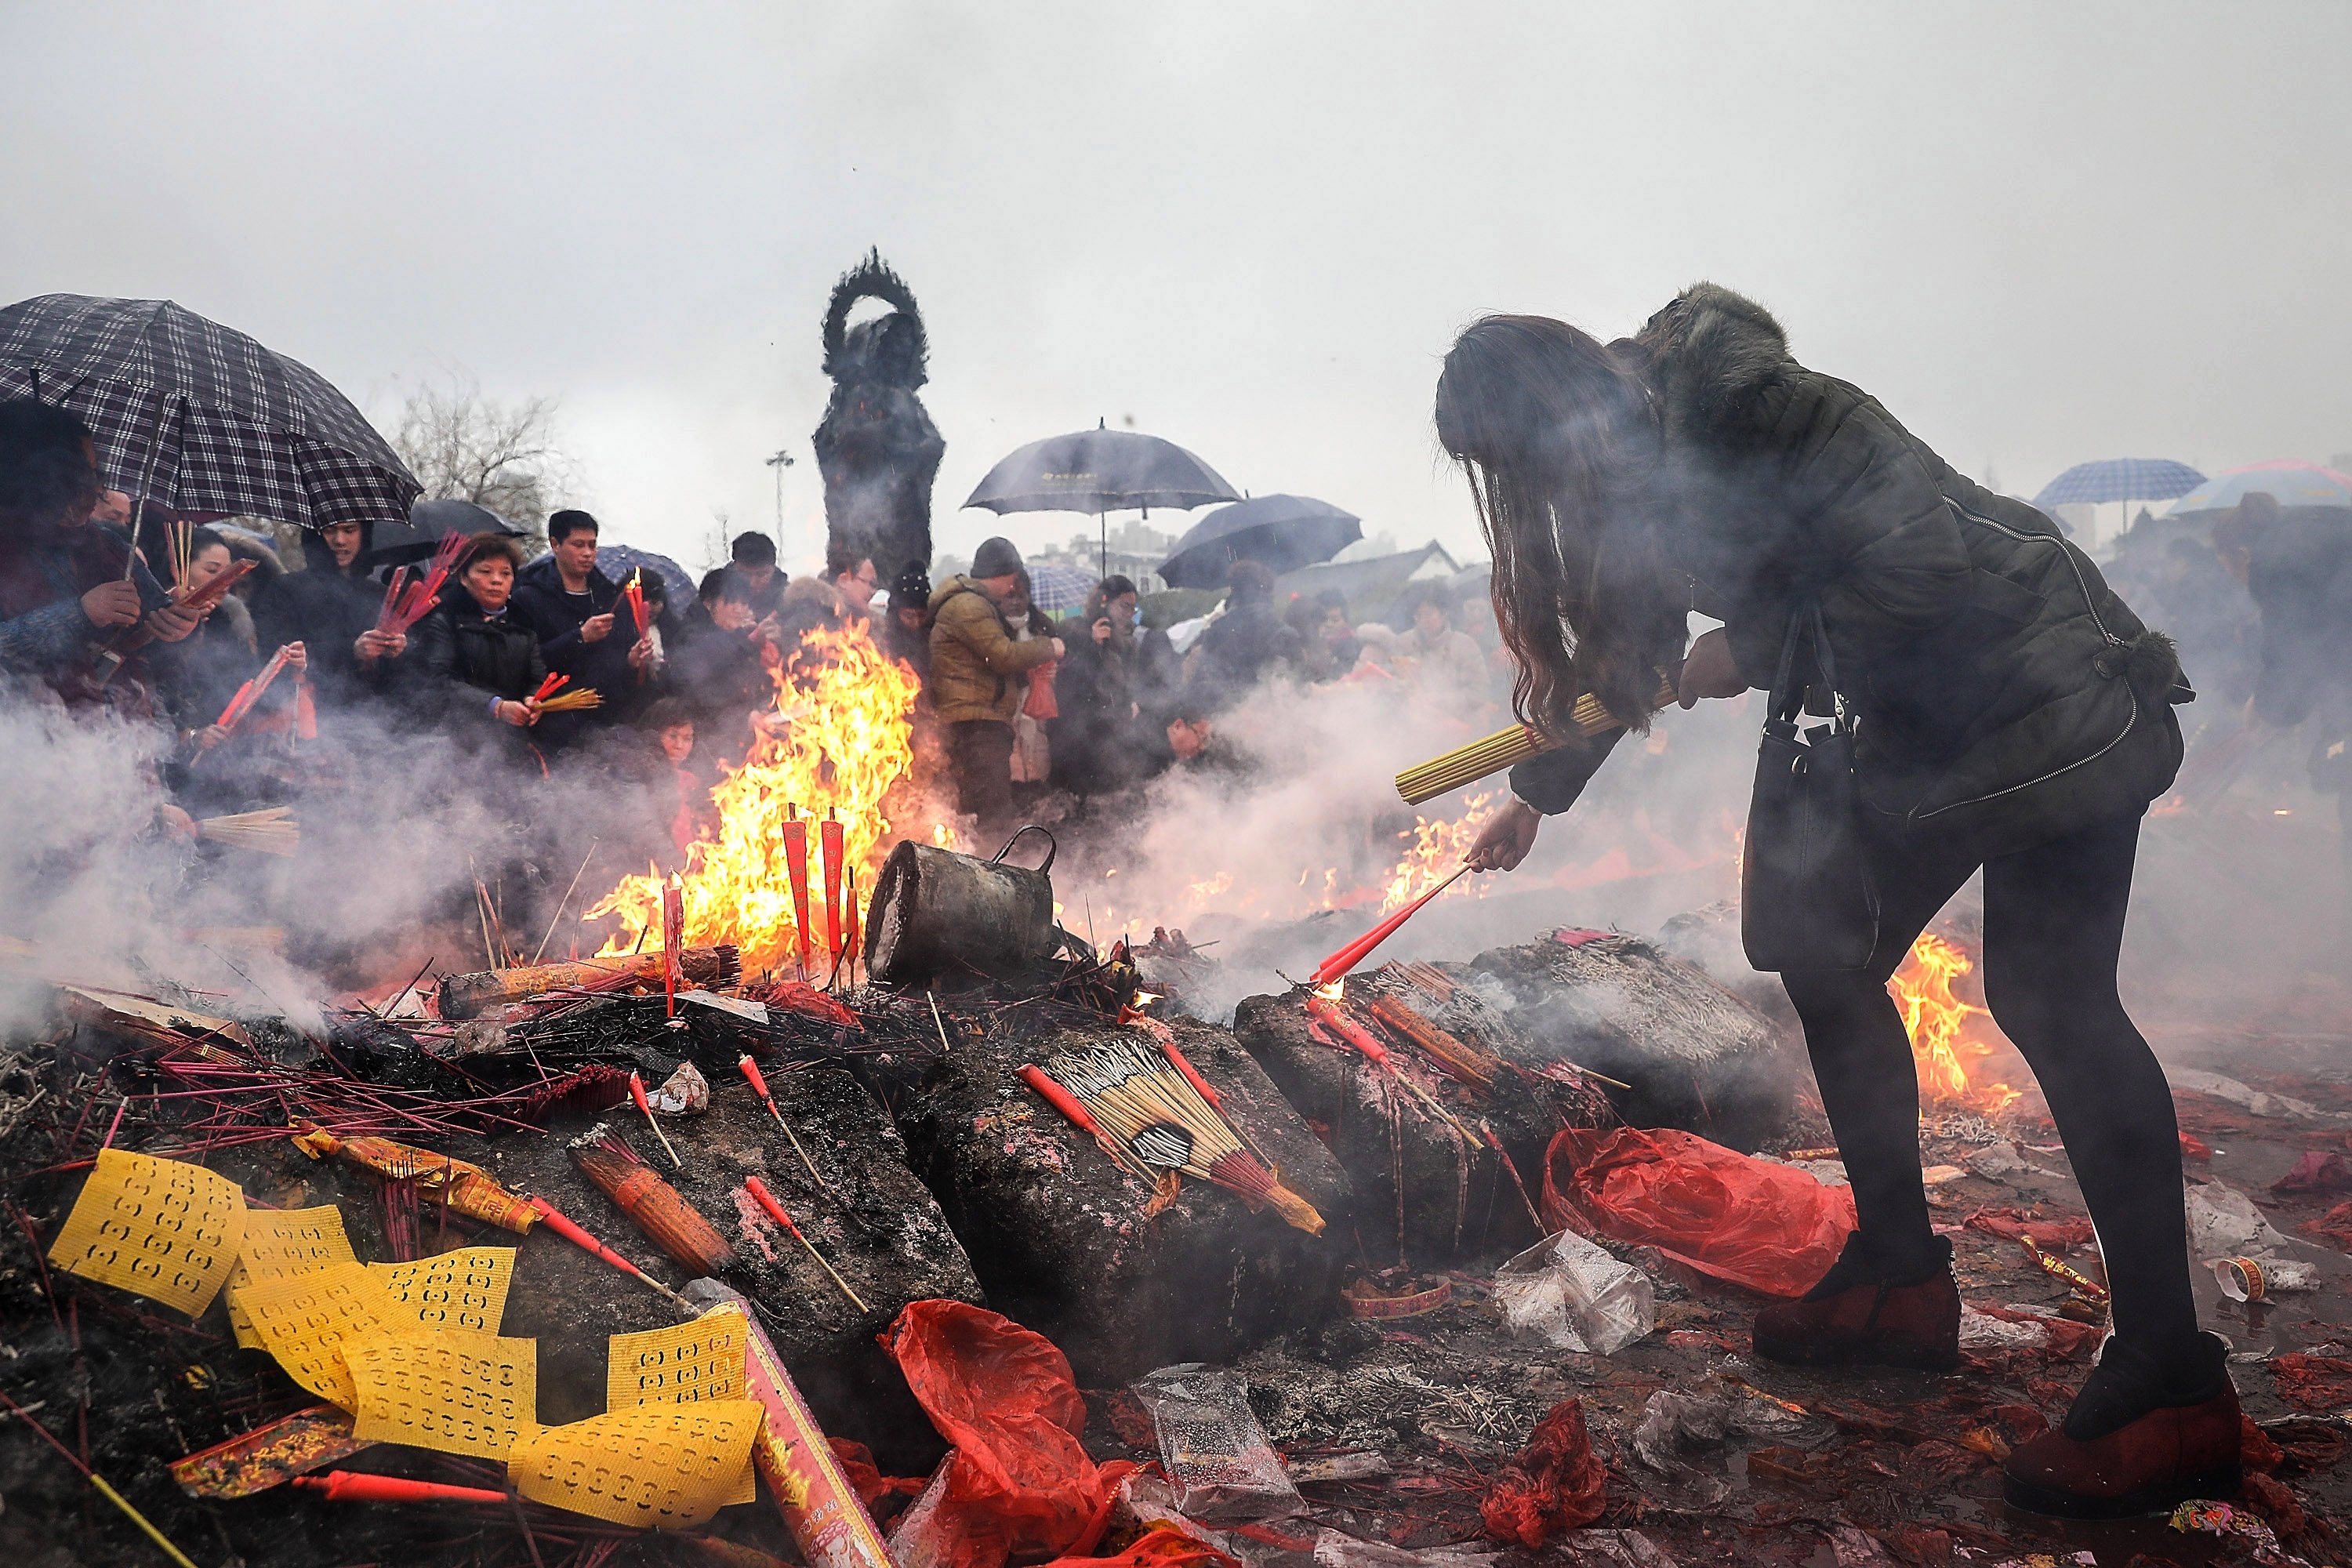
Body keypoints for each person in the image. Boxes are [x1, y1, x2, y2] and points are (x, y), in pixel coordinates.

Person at [1443, 289, 2217, 1519]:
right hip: (1931, 731)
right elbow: (1630, 652)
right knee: (1823, 953)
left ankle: (2173, 1378)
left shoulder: (1772, 412)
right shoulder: (1630, 476)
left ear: (1571, 408)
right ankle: (1900, 1275)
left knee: (2052, 1000)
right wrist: (1538, 795)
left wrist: (1743, 654)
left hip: (2051, 687)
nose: (1533, 495)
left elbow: (1919, 569)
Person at [0, 401, 198, 716]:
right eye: (80, 475)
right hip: (23, 737)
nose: (95, 490)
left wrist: (173, 625)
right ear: (35, 475)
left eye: (96, 475)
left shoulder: (107, 545)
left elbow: (151, 628)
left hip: (111, 736)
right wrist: (81, 614)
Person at [2223, 491, 2352, 927]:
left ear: (2241, 555)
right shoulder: (2318, 527)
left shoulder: (2274, 562)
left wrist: (2269, 709)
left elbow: (2295, 651)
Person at [927, 536, 1063, 837]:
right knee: (992, 821)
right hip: (975, 728)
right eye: (1013, 580)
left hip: (979, 724)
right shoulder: (969, 605)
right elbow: (1001, 655)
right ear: (1004, 575)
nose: (1013, 589)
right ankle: (991, 879)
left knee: (984, 818)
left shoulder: (973, 604)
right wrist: (1049, 647)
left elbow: (987, 666)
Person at [512, 510, 648, 750]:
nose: (587, 553)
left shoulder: (610, 597)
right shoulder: (529, 597)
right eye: (578, 545)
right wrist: (579, 638)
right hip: (553, 723)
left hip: (607, 720)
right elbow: (522, 662)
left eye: (592, 545)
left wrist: (631, 660)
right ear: (555, 544)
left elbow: (615, 662)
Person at [404, 532, 546, 753]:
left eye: (505, 573)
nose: (497, 580)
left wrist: (534, 700)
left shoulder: (524, 625)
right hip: (448, 741)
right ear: (463, 577)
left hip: (507, 744)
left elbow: (537, 678)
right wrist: (494, 706)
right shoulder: (446, 620)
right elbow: (438, 681)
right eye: (485, 571)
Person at [252, 515, 403, 712]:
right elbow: (275, 654)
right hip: (309, 713)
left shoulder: (381, 595)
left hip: (375, 716)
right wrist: (352, 651)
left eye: (349, 530)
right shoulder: (286, 589)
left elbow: (403, 678)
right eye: (330, 531)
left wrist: (397, 651)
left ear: (363, 534)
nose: (340, 541)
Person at [670, 568, 774, 771]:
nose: (739, 609)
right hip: (702, 747)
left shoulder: (738, 637)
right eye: (731, 602)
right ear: (709, 603)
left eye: (744, 603)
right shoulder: (692, 639)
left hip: (738, 741)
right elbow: (701, 694)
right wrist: (745, 716)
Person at [1051, 575, 1140, 799]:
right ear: (1104, 601)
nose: (1128, 614)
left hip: (1110, 732)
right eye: (1124, 606)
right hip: (1076, 733)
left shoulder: (1124, 641)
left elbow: (1125, 681)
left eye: (1132, 608)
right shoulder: (1075, 629)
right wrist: (1092, 645)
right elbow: (1070, 680)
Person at [1187, 559, 1301, 710]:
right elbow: (1299, 687)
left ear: (1233, 589)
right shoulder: (1284, 633)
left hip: (1225, 723)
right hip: (1276, 723)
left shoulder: (1216, 630)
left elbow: (1201, 687)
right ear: (1267, 589)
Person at [1389, 584, 1490, 707]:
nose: (1423, 620)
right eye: (1418, 616)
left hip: (1458, 721)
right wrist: (1398, 688)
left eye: (1429, 614)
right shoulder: (1403, 643)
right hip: (1414, 720)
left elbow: (1479, 693)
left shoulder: (1465, 645)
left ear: (1444, 613)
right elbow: (1390, 680)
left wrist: (1441, 701)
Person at [880, 562, 933, 688]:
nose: (916, 623)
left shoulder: (936, 638)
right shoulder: (880, 641)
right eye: (909, 616)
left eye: (921, 616)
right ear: (895, 614)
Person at [725, 532, 788, 623]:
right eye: (745, 575)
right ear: (734, 568)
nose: (752, 582)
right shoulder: (714, 594)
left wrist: (783, 633)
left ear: (773, 569)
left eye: (761, 575)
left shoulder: (790, 600)